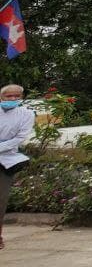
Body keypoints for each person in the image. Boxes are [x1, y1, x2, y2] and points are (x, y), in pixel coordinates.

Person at [0, 84, 36, 251]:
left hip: (6, 159)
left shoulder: (26, 114)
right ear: (2, 97)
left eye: (16, 96)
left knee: (1, 199)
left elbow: (20, 137)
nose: (13, 99)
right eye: (9, 96)